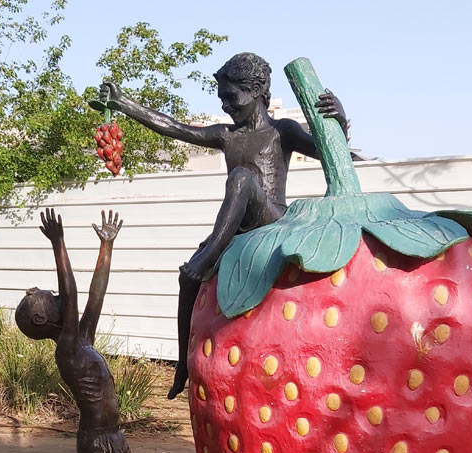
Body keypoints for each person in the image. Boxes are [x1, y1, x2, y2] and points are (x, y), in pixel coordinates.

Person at [98, 52, 352, 398]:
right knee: (185, 281)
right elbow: (173, 127)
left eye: (231, 98)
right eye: (222, 99)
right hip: (236, 229)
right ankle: (182, 367)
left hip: (272, 220)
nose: (226, 107)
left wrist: (340, 119)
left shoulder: (283, 131)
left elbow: (331, 150)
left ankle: (204, 261)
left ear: (258, 91)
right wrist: (124, 104)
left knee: (243, 179)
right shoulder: (227, 136)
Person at [15, 208, 138, 453]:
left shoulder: (81, 339)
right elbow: (73, 289)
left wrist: (107, 247)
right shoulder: (67, 348)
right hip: (99, 444)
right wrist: (58, 244)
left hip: (112, 437)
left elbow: (93, 295)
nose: (58, 296)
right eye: (50, 300)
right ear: (41, 318)